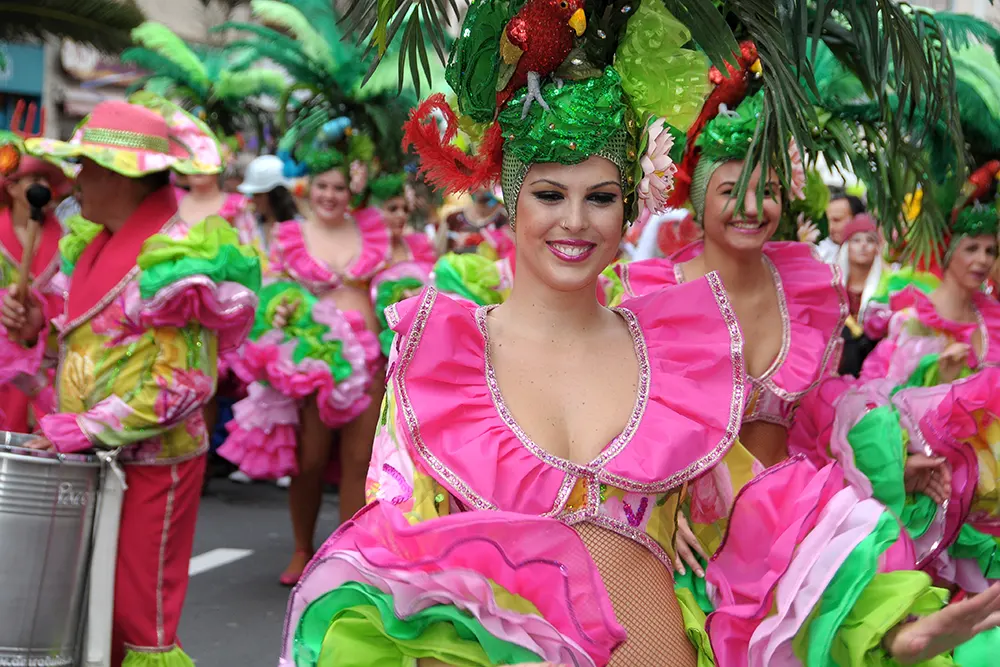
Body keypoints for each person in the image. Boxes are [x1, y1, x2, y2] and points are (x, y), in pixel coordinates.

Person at [277, 2, 1000, 663]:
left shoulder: (678, 360)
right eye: (550, 194)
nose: (575, 221)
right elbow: (398, 567)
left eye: (600, 198)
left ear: (630, 207)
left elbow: (765, 521)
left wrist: (892, 626)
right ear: (510, 197)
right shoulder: (441, 360)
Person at [0, 98, 260, 667]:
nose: (77, 180)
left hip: (154, 465)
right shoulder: (92, 243)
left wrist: (86, 429)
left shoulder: (175, 257)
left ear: (125, 176)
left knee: (139, 619)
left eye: (88, 167)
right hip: (97, 459)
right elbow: (92, 340)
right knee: (87, 613)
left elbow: (185, 384)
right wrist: (36, 324)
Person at [220, 114, 386, 586]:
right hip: (315, 362)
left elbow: (394, 282)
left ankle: (346, 556)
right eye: (323, 188)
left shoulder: (371, 230)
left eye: (339, 188)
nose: (331, 196)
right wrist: (280, 317)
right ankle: (301, 549)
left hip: (367, 359)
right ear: (308, 189)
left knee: (358, 462)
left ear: (350, 190)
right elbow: (273, 291)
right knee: (310, 460)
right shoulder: (291, 236)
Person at [0, 142, 72, 433]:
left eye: (46, 180)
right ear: (12, 187)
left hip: (49, 361)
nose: (42, 186)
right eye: (34, 180)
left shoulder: (69, 239)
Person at [836, 213, 885, 375]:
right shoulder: (833, 287)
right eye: (856, 240)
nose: (863, 245)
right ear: (846, 247)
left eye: (870, 240)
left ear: (877, 249)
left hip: (876, 366)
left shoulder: (887, 287)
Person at [237, 153, 301, 252]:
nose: (253, 200)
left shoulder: (301, 228)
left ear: (276, 195)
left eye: (258, 195)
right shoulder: (251, 226)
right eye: (252, 194)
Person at [817, 190, 866, 263]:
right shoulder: (824, 255)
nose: (830, 228)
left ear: (857, 219)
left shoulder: (873, 259)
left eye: (837, 220)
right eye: (827, 222)